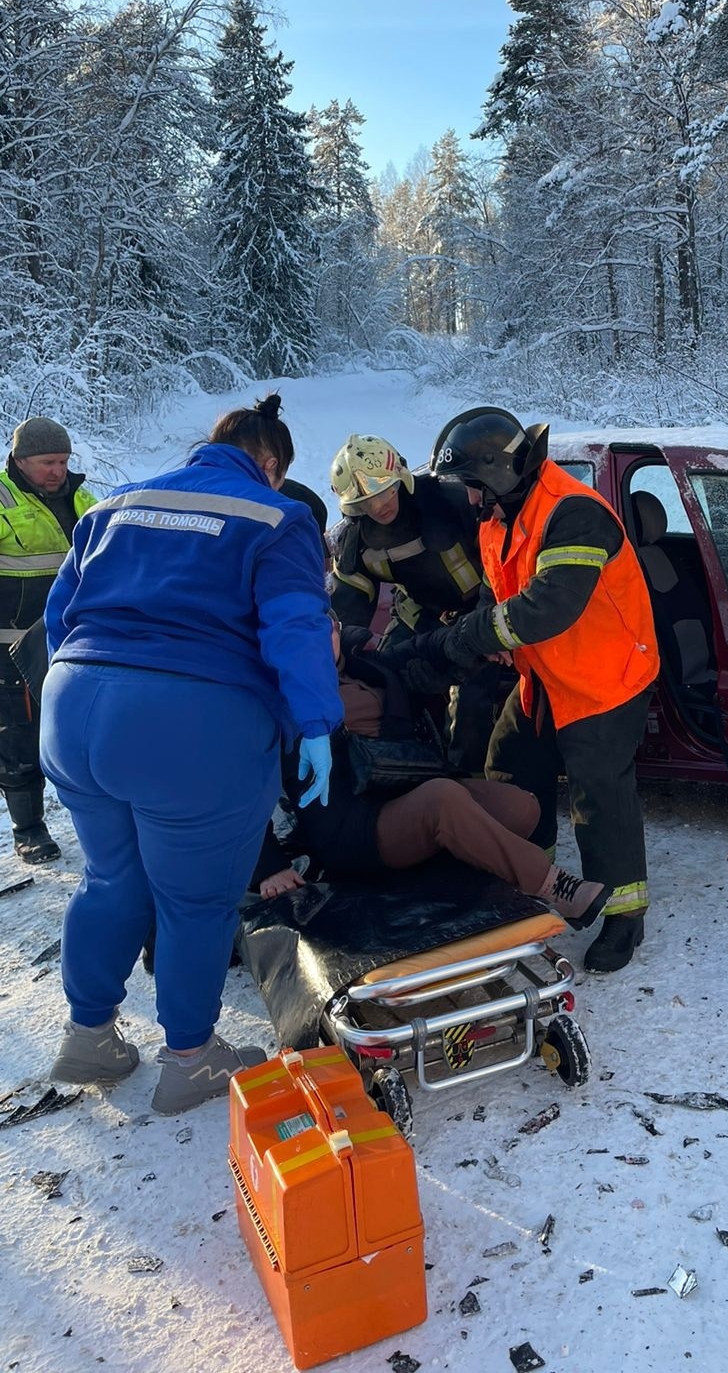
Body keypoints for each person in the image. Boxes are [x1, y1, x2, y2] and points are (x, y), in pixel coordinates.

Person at [39, 393, 343, 1113]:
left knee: (111, 881)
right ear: (268, 462)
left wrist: (88, 690)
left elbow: (60, 612)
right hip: (191, 723)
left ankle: (90, 1038)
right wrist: (316, 724)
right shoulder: (278, 516)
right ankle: (191, 1059)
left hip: (74, 704)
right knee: (195, 902)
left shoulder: (115, 503)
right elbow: (295, 624)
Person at [417, 407, 659, 974]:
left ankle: (625, 916)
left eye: (474, 488)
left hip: (604, 679)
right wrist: (479, 634)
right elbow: (498, 592)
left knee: (599, 796)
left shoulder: (574, 514)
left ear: (499, 474)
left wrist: (470, 639)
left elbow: (550, 605)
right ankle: (535, 881)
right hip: (547, 675)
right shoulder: (501, 515)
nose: (470, 502)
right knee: (509, 765)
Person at [254, 621, 610, 926]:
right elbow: (238, 789)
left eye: (326, 625)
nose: (322, 636)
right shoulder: (280, 703)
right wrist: (269, 866)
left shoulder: (366, 665)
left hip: (406, 788)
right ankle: (552, 886)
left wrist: (478, 641)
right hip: (353, 828)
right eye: (306, 630)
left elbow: (427, 649)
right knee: (443, 798)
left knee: (521, 807)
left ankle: (455, 871)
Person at [327, 434, 498, 770]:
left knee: (472, 704)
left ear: (400, 477)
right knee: (387, 681)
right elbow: (347, 610)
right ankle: (401, 769)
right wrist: (349, 652)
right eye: (366, 502)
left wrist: (473, 640)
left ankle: (467, 784)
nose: (379, 506)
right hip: (421, 615)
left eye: (384, 491)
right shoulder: (356, 541)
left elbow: (500, 565)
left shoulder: (452, 501)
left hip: (479, 610)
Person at [0, 417, 96, 862]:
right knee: (19, 737)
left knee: (81, 729)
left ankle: (93, 816)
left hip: (73, 639)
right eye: (46, 462)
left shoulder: (84, 499)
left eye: (62, 461)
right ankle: (29, 829)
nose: (56, 471)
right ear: (20, 460)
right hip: (11, 644)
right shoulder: (2, 502)